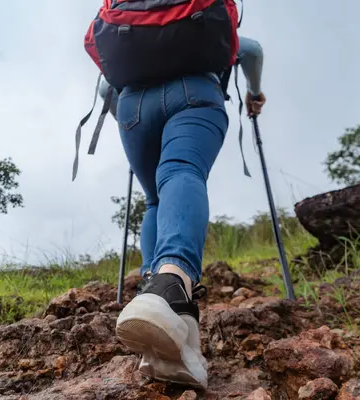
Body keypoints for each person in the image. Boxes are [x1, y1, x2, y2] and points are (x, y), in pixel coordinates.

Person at [99, 35, 266, 390]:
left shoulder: (132, 19)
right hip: (196, 91)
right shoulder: (200, 12)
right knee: (182, 171)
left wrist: (128, 118)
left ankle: (175, 323)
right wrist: (253, 92)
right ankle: (170, 285)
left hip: (133, 107)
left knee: (155, 199)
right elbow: (250, 51)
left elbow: (104, 89)